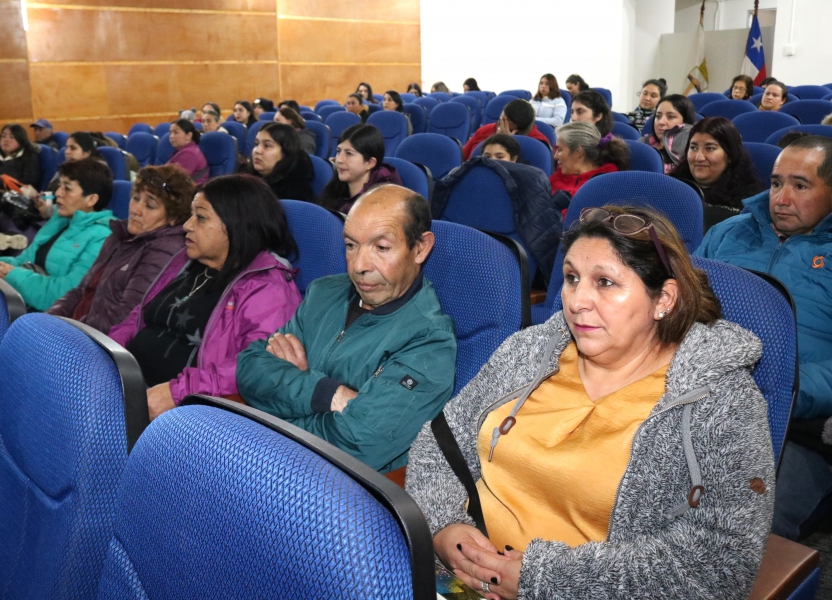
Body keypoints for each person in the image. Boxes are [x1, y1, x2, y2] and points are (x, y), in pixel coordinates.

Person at [406, 204, 774, 599]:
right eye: (571, 278)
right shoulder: (530, 350)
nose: (577, 300)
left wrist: (543, 581)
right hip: (453, 571)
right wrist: (443, 526)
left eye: (605, 282)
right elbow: (440, 442)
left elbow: (720, 562)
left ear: (663, 299)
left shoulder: (719, 400)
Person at [236, 184, 457, 473]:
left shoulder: (429, 341)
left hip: (330, 486)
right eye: (351, 245)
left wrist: (283, 397)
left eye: (381, 247)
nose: (359, 266)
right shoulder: (323, 293)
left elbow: (359, 443)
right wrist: (328, 394)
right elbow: (250, 367)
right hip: (266, 459)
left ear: (420, 248)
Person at [695, 136, 832, 540]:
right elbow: (682, 309)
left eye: (800, 185)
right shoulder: (727, 233)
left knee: (745, 521)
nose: (781, 199)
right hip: (701, 399)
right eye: (775, 183)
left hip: (796, 424)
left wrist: (784, 389)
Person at [109, 174, 302, 420]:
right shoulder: (186, 260)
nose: (187, 225)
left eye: (200, 217)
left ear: (237, 224)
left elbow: (256, 365)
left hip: (184, 411)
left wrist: (177, 392)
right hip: (131, 383)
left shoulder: (267, 288)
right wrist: (110, 353)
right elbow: (140, 316)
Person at [47, 165, 193, 334]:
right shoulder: (119, 235)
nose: (135, 210)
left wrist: (70, 332)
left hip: (95, 340)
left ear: (173, 217)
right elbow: (80, 291)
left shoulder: (165, 251)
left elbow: (126, 316)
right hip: (76, 328)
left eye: (150, 206)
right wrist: (48, 320)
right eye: (135, 198)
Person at [0, 159, 114, 310]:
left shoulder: (102, 238)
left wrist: (12, 274)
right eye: (60, 185)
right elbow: (24, 260)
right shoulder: (60, 220)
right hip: (22, 300)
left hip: (46, 316)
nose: (58, 193)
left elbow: (64, 296)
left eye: (67, 188)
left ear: (91, 199)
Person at [670, 117, 765, 231]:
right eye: (693, 148)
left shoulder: (750, 200)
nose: (698, 157)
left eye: (709, 148)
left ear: (730, 155)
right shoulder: (671, 187)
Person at [318, 124, 401, 213]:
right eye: (338, 151)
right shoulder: (336, 187)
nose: (339, 160)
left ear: (370, 163)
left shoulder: (382, 201)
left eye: (349, 153)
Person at [549, 121, 629, 209]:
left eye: (560, 150)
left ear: (577, 152)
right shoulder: (555, 179)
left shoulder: (606, 186)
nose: (555, 156)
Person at [463, 99, 551, 160]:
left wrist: (506, 141)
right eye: (503, 121)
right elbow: (464, 157)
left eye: (510, 128)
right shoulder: (484, 131)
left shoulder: (538, 143)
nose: (503, 127)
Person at [248, 123, 315, 202]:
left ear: (286, 153)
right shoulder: (246, 178)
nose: (257, 151)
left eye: (267, 145)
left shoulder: (295, 194)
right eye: (256, 144)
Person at [639, 94, 696, 173]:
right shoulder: (642, 144)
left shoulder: (693, 150)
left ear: (685, 122)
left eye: (670, 117)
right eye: (658, 116)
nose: (661, 122)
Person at [0, 124, 42, 190]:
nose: (6, 140)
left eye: (11, 137)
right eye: (3, 136)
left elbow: (30, 181)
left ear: (20, 140)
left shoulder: (29, 156)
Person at [167, 119, 208, 185]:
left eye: (176, 132)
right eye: (170, 133)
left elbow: (176, 181)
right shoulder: (184, 150)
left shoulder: (189, 154)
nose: (171, 136)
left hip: (191, 190)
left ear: (189, 135)